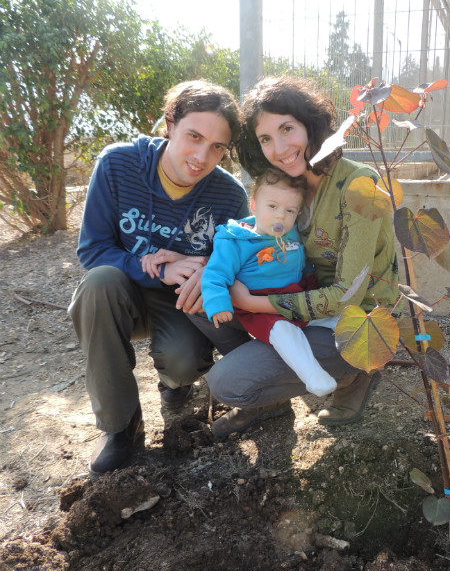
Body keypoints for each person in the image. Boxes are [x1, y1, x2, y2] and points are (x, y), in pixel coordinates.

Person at [189, 75, 399, 439]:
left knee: (227, 383)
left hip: (353, 319)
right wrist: (213, 270)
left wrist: (253, 303)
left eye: (287, 128)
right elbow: (257, 235)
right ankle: (274, 390)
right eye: (266, 139)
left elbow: (346, 294)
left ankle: (355, 373)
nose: (280, 147)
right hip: (299, 302)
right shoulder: (290, 185)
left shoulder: (359, 185)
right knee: (198, 298)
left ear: (311, 125)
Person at [68, 80, 249, 477]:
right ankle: (121, 427)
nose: (203, 156)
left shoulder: (229, 196)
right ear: (170, 124)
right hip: (123, 291)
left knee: (184, 362)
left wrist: (205, 268)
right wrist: (158, 266)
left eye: (218, 147)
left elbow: (236, 261)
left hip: (178, 301)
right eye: (194, 136)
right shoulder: (118, 165)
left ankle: (174, 380)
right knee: (97, 285)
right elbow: (92, 249)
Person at [201, 167, 338, 397]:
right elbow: (215, 274)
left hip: (297, 296)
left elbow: (302, 262)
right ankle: (313, 376)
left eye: (290, 210)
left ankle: (365, 345)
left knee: (334, 315)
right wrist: (218, 304)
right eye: (272, 207)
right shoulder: (235, 241)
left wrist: (312, 281)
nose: (280, 216)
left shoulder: (291, 234)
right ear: (253, 205)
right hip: (262, 307)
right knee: (284, 332)